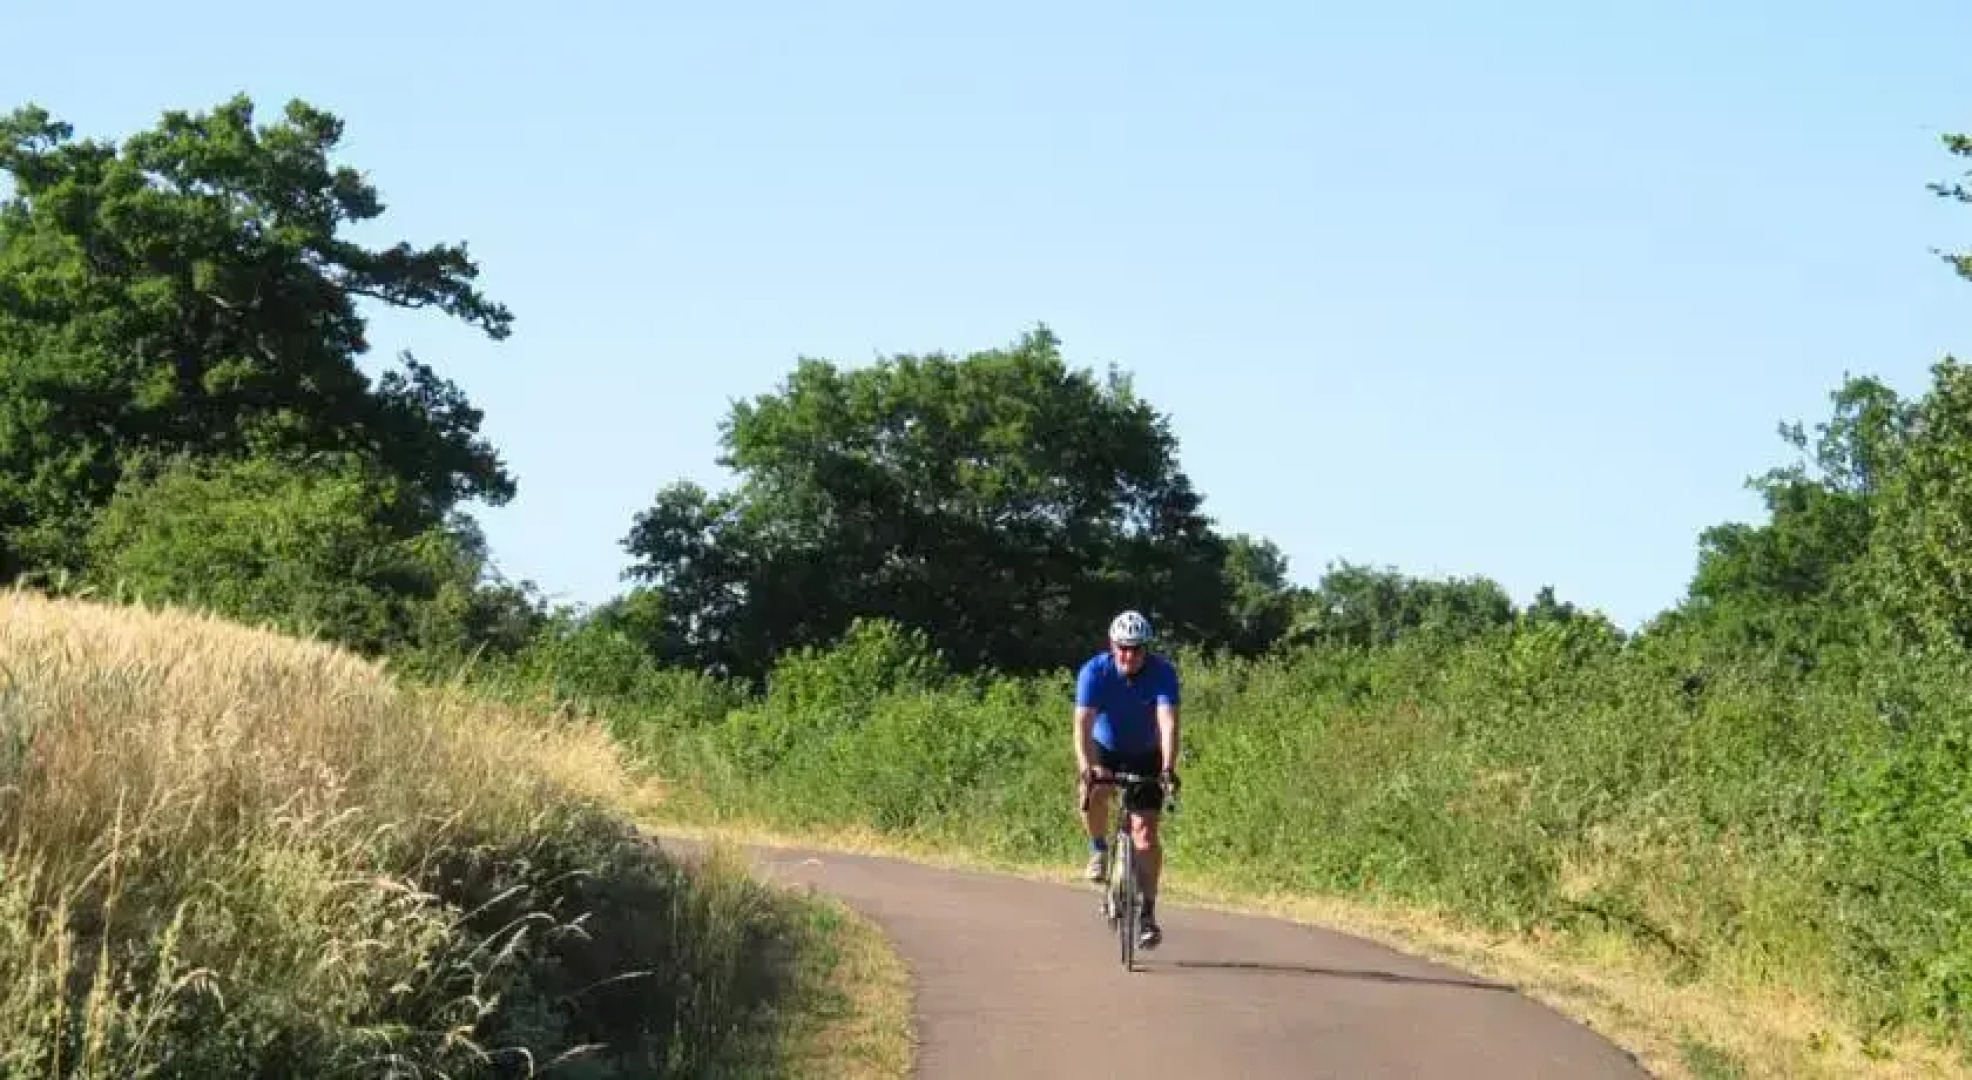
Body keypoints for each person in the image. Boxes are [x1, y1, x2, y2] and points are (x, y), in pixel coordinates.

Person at [1073, 609, 1181, 949]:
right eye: (1123, 647)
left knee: (1146, 836)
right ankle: (1098, 849)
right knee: (1094, 791)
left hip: (1146, 753)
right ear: (1112, 645)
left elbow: (1168, 722)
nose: (1129, 655)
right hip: (1105, 748)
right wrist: (1087, 765)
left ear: (1146, 649)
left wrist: (1167, 767)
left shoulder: (1162, 673)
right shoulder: (1094, 671)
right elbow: (1083, 724)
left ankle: (1148, 913)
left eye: (1136, 649)